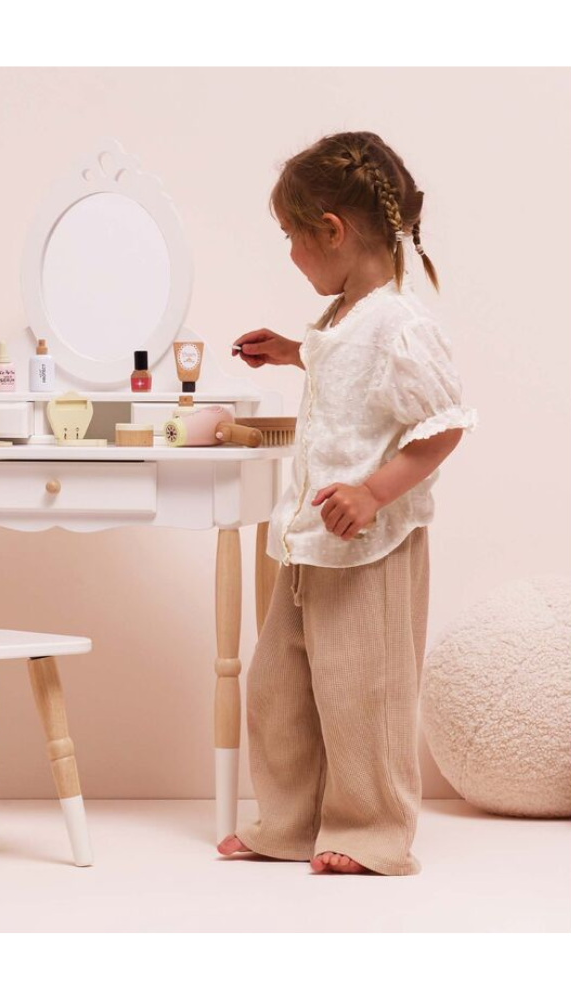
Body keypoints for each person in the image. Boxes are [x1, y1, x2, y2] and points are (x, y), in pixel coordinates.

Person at [220, 131, 478, 875]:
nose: (290, 254)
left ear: (331, 231)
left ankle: (371, 831)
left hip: (370, 547)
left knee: (365, 694)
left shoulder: (400, 324)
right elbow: (346, 366)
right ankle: (290, 821)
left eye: (291, 237)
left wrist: (372, 493)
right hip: (310, 541)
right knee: (281, 691)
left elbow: (443, 426)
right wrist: (291, 350)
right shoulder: (342, 317)